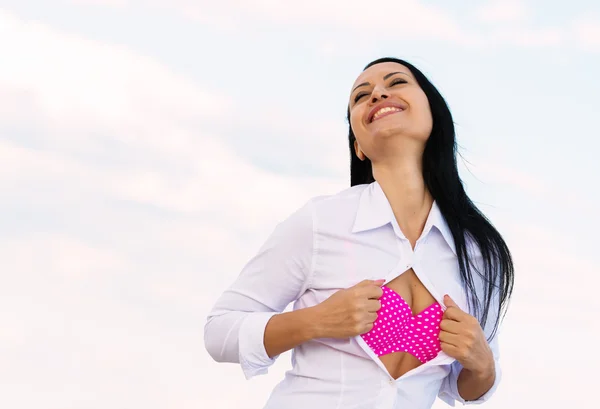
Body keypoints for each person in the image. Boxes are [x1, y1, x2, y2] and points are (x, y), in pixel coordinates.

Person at [204, 57, 514, 409]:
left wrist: (483, 364)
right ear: (359, 147)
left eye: (396, 82)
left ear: (434, 116)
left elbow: (468, 387)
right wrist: (316, 320)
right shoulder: (321, 222)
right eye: (361, 95)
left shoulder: (479, 254)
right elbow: (218, 331)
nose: (378, 93)